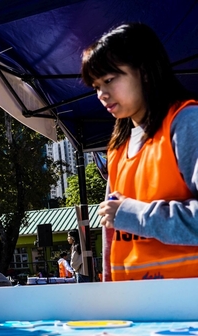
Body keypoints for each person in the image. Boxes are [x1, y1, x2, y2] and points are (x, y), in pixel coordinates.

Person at [83, 23, 198, 281]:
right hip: (135, 303)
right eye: (96, 86)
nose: (101, 94)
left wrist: (135, 215)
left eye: (109, 80)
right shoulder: (117, 147)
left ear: (144, 71)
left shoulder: (187, 123)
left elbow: (121, 215)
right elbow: (112, 233)